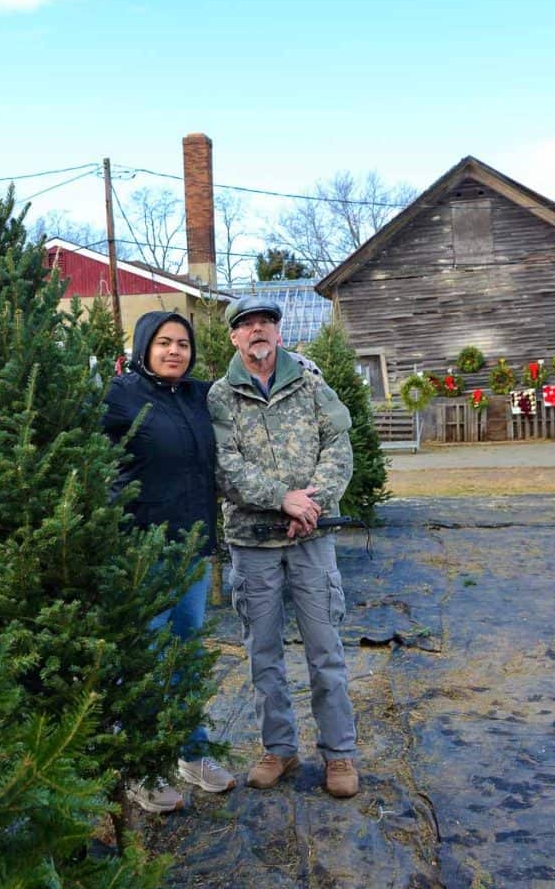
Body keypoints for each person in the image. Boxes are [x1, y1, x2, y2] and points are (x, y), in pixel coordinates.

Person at [207, 295, 359, 798]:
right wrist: (282, 501)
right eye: (247, 324)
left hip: (311, 541)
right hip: (253, 545)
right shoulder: (219, 397)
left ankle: (338, 755)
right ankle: (279, 748)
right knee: (262, 653)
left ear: (278, 332)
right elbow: (224, 467)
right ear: (234, 337)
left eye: (266, 323)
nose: (257, 331)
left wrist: (311, 505)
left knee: (325, 650)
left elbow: (338, 445)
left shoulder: (311, 382)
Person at [102, 310, 235, 813]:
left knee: (185, 653)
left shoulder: (199, 396)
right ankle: (140, 766)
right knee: (147, 657)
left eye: (182, 343)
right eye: (164, 342)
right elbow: (88, 453)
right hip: (142, 548)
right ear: (143, 348)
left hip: (194, 549)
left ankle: (191, 753)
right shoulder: (120, 396)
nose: (175, 350)